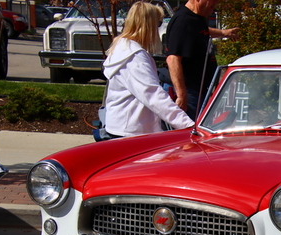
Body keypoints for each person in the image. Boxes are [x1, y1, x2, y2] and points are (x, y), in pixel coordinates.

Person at [102, 1, 194, 138]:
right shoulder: (134, 57)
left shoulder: (122, 48)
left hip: (122, 128)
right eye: (159, 23)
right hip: (131, 134)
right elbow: (154, 96)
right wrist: (189, 126)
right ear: (149, 25)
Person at [165, 0, 238, 119]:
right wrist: (182, 95)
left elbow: (199, 32)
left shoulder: (196, 18)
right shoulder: (183, 21)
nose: (216, 5)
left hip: (201, 91)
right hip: (190, 93)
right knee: (192, 132)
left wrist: (224, 33)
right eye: (212, 2)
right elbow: (173, 59)